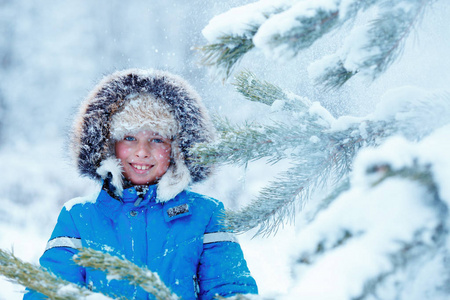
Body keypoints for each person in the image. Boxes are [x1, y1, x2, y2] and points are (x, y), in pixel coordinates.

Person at [23, 69, 258, 300]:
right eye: (130, 138)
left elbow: (230, 291)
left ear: (176, 148)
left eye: (156, 139)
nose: (142, 152)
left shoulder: (206, 215)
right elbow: (50, 292)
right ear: (109, 144)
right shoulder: (79, 217)